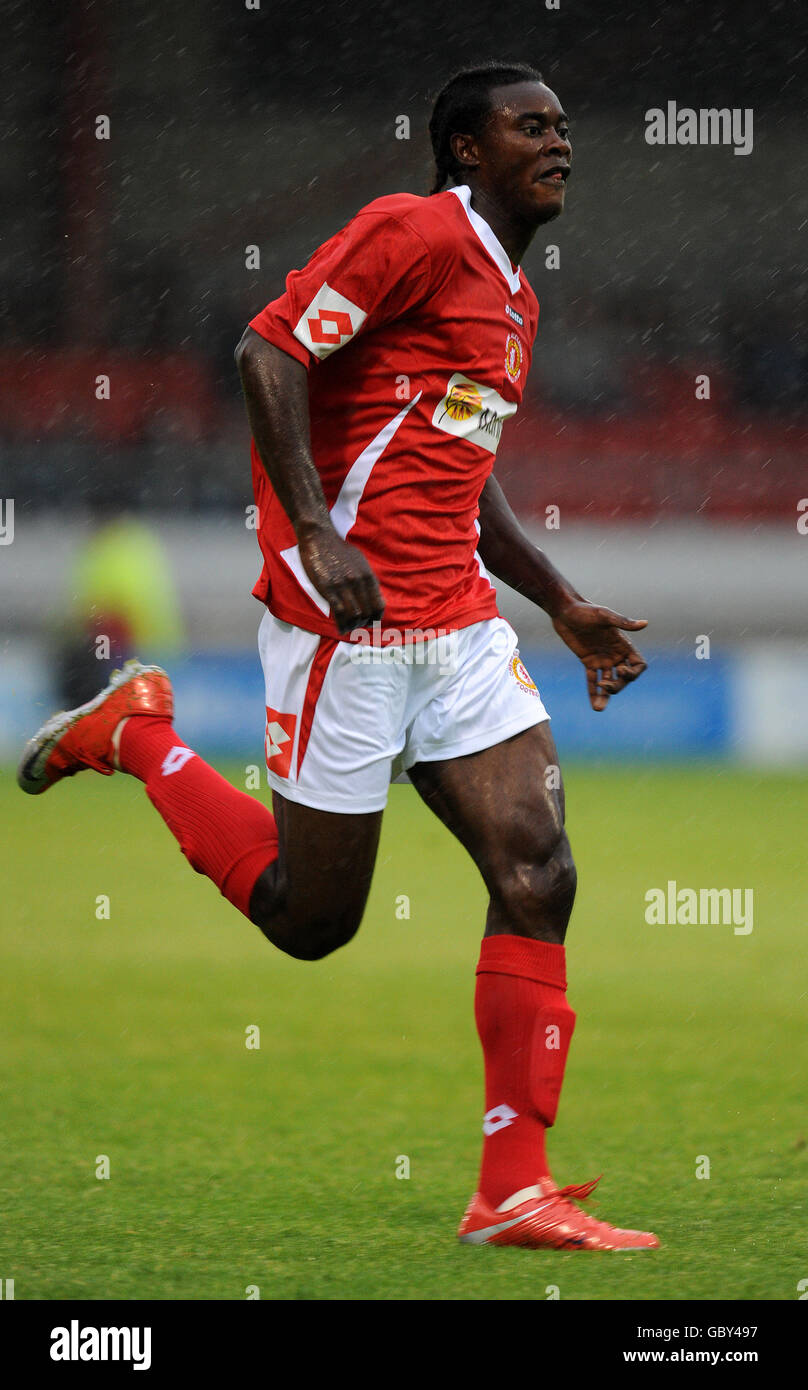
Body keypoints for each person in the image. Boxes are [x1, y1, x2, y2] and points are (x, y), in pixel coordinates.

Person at [19, 62, 657, 1250]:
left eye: (565, 125)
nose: (558, 142)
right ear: (466, 148)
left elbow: (464, 469)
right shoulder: (407, 232)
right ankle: (139, 733)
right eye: (530, 126)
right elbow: (265, 353)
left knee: (540, 872)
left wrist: (560, 601)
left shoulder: (515, 294)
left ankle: (512, 1188)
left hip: (458, 626)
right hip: (344, 627)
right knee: (312, 920)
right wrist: (317, 535)